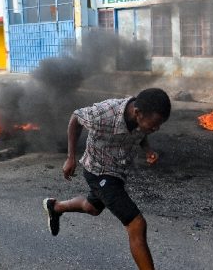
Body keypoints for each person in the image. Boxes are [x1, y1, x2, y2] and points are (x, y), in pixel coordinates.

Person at [43, 88, 171, 270]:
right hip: (98, 171)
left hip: (118, 171)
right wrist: (71, 157)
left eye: (159, 125)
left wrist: (148, 150)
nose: (156, 129)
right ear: (137, 113)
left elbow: (141, 133)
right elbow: (76, 118)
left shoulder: (141, 117)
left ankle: (55, 207)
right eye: (154, 124)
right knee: (136, 224)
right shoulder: (105, 113)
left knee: (92, 208)